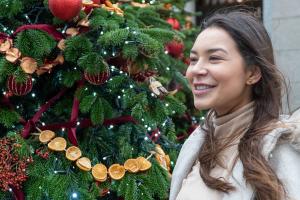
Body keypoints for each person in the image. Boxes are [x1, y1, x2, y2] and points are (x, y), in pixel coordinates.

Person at [169, 8, 300, 200]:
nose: (196, 70)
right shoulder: (196, 143)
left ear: (253, 73)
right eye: (193, 59)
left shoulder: (278, 149)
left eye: (214, 58)